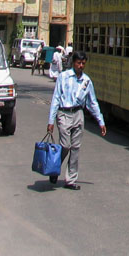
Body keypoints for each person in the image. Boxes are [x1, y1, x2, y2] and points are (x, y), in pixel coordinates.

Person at [47, 50, 105, 190]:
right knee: (65, 145)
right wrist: (51, 120)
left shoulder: (86, 81)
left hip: (78, 113)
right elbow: (55, 99)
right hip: (64, 113)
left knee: (75, 148)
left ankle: (71, 180)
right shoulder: (63, 77)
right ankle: (54, 168)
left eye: (83, 63)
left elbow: (92, 103)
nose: (80, 66)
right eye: (78, 63)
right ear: (73, 63)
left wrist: (100, 121)